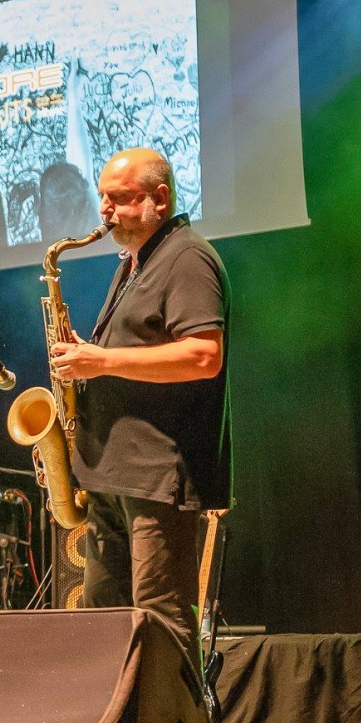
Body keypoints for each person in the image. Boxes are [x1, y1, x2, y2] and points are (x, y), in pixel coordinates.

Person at [51, 147, 230, 646]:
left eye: (119, 198)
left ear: (160, 199)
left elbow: (204, 356)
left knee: (162, 623)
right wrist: (87, 355)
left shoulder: (187, 257)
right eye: (102, 197)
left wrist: (101, 360)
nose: (104, 210)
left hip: (155, 477)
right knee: (105, 628)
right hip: (114, 476)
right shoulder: (134, 262)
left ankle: (181, 702)